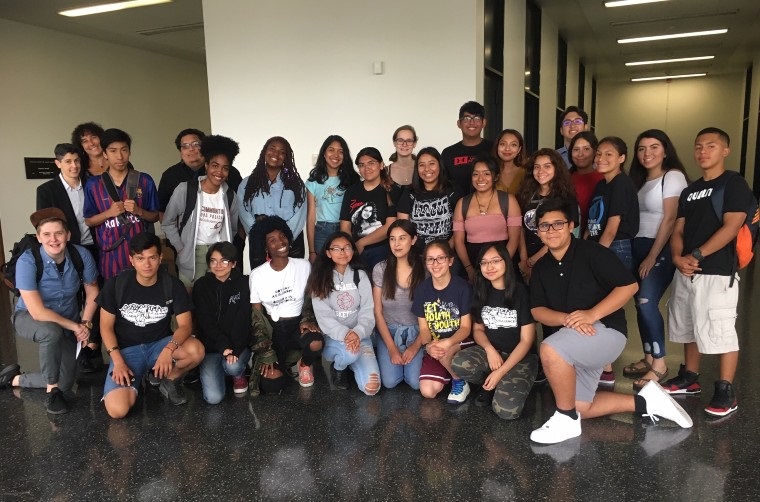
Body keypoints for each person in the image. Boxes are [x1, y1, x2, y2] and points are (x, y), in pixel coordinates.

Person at [528, 198, 692, 444]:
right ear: (538, 231)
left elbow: (629, 286)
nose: (551, 230)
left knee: (549, 349)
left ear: (571, 225)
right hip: (573, 338)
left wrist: (591, 315)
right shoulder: (541, 267)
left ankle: (565, 420)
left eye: (558, 224)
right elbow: (537, 310)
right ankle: (647, 402)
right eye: (544, 226)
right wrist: (568, 319)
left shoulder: (591, 252)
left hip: (605, 333)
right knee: (580, 406)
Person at [663, 127, 753, 418]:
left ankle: (726, 389)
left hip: (716, 271)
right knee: (689, 325)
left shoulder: (734, 184)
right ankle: (690, 377)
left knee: (722, 331)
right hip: (686, 270)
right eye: (698, 146)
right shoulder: (689, 191)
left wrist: (696, 254)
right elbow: (678, 229)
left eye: (711, 146)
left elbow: (732, 226)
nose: (703, 151)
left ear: (725, 150)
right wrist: (678, 257)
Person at [2, 209, 99, 414]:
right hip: (29, 318)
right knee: (50, 332)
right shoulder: (28, 261)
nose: (53, 239)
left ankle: (13, 378)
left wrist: (86, 323)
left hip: (68, 321)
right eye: (46, 234)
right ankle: (52, 392)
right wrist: (76, 326)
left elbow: (92, 292)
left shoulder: (80, 255)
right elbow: (37, 312)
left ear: (68, 235)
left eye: (58, 233)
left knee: (66, 381)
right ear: (38, 237)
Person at [100, 232, 204, 418]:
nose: (147, 264)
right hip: (127, 351)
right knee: (117, 411)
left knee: (196, 350)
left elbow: (186, 326)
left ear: (160, 258)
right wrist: (118, 362)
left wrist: (168, 350)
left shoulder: (172, 284)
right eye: (140, 258)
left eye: (152, 258)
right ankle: (137, 379)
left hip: (159, 346)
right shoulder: (116, 285)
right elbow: (105, 327)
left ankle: (168, 379)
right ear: (131, 260)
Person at [623, 129, 689, 390]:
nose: (647, 153)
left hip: (658, 247)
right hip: (636, 245)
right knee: (640, 305)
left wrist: (652, 255)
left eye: (653, 147)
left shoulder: (672, 176)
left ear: (665, 150)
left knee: (647, 301)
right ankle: (649, 356)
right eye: (641, 148)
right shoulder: (637, 180)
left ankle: (660, 363)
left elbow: (670, 218)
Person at [451, 242, 537, 419]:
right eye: (484, 262)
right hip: (492, 354)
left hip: (520, 357)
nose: (489, 267)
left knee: (506, 412)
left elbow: (526, 341)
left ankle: (501, 382)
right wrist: (490, 350)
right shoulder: (481, 291)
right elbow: (478, 330)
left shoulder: (522, 293)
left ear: (506, 261)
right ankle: (490, 384)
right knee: (458, 363)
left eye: (495, 261)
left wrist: (500, 372)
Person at [37, 143, 102, 372]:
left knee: (97, 296)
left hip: (96, 246)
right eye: (67, 161)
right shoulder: (47, 190)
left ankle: (93, 345)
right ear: (58, 164)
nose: (73, 165)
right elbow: (45, 225)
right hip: (67, 250)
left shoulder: (93, 184)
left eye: (76, 160)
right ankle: (75, 344)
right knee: (73, 297)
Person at [584, 136, 639, 385]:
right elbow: (592, 225)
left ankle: (606, 368)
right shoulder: (602, 185)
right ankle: (602, 366)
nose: (601, 159)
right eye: (598, 154)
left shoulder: (621, 184)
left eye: (608, 154)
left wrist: (597, 258)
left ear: (621, 158)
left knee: (608, 307)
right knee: (598, 304)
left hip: (613, 249)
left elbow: (612, 227)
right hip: (598, 247)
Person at [249, 217, 324, 389]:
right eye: (272, 240)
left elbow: (310, 299)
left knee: (316, 343)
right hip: (274, 330)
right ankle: (282, 364)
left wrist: (307, 319)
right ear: (265, 247)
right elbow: (257, 317)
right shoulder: (257, 275)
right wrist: (265, 349)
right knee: (273, 385)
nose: (280, 242)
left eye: (282, 236)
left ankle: (304, 364)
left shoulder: (304, 266)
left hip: (298, 325)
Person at [162, 135, 240, 289]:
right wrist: (181, 247)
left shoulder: (230, 195)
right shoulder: (185, 190)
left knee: (215, 298)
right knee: (191, 301)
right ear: (206, 166)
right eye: (215, 166)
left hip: (219, 255)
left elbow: (233, 227)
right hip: (192, 253)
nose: (219, 172)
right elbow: (167, 222)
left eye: (225, 168)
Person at [306, 232, 379, 395]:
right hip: (334, 337)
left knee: (372, 388)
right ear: (328, 253)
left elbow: (368, 309)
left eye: (347, 248)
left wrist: (358, 333)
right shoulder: (320, 278)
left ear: (353, 251)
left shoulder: (360, 276)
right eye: (337, 249)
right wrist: (347, 335)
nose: (342, 252)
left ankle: (351, 363)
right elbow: (323, 316)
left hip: (361, 335)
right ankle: (339, 367)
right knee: (351, 354)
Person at [83, 128, 160, 280]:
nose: (119, 156)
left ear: (129, 152)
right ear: (104, 153)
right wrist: (108, 213)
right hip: (111, 257)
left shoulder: (144, 180)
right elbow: (89, 221)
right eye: (113, 151)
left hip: (142, 257)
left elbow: (155, 216)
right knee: (115, 299)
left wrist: (139, 211)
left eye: (124, 150)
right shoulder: (94, 184)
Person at [413, 239, 473, 403]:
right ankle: (449, 370)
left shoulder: (462, 288)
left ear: (450, 261)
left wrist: (448, 342)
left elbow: (466, 328)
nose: (436, 263)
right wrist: (428, 346)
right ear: (425, 263)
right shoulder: (422, 290)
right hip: (436, 345)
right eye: (430, 259)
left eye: (441, 258)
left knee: (444, 349)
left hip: (460, 341)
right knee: (428, 391)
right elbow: (424, 330)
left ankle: (459, 381)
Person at [192, 242, 251, 403]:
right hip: (212, 347)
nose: (218, 265)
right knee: (213, 398)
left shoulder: (244, 283)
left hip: (237, 344)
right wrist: (223, 345)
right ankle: (222, 371)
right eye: (213, 260)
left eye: (224, 261)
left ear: (233, 263)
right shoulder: (201, 286)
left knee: (233, 366)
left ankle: (238, 375)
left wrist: (235, 349)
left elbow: (243, 320)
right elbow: (205, 321)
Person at [238, 136, 307, 269]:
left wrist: (283, 239)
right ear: (264, 151)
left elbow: (300, 215)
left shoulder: (296, 184)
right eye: (272, 149)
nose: (276, 154)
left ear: (286, 157)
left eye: (282, 152)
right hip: (259, 244)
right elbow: (244, 214)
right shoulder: (247, 184)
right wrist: (263, 240)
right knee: (263, 284)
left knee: (293, 282)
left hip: (290, 244)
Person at [372, 220, 426, 389]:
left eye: (402, 238)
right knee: (389, 382)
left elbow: (431, 311)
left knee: (415, 383)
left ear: (413, 239)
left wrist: (415, 346)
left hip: (418, 331)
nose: (397, 244)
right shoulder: (381, 268)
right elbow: (377, 312)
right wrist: (391, 348)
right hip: (389, 330)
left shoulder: (425, 268)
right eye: (392, 239)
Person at [453, 155, 521, 282]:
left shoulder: (509, 200)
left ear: (495, 177)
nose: (480, 178)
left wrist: (501, 266)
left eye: (486, 174)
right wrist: (469, 269)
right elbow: (458, 241)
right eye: (476, 174)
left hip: (504, 264)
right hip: (474, 265)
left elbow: (514, 239)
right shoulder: (462, 204)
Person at [516, 148, 579, 282]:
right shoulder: (525, 194)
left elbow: (567, 234)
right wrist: (524, 260)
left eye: (547, 166)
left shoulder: (566, 197)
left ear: (557, 169)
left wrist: (533, 261)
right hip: (526, 256)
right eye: (536, 167)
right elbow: (519, 228)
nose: (541, 171)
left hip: (555, 257)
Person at [340, 147, 402, 270]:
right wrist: (350, 246)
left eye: (371, 163)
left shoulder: (392, 190)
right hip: (355, 250)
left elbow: (390, 226)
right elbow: (345, 225)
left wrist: (361, 243)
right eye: (361, 165)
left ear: (381, 165)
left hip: (383, 250)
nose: (366, 168)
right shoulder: (351, 191)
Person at [305, 135, 359, 261]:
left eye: (341, 151)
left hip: (347, 230)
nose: (336, 155)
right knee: (323, 273)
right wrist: (312, 251)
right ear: (324, 153)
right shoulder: (313, 182)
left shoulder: (353, 180)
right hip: (323, 231)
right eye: (331, 150)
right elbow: (311, 217)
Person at [396, 147, 462, 246]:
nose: (427, 169)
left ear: (440, 165)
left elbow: (459, 231)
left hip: (446, 254)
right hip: (417, 254)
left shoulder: (453, 190)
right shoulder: (409, 193)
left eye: (432, 163)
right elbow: (403, 230)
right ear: (417, 169)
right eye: (421, 165)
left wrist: (445, 253)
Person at [441, 101, 493, 191]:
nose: (472, 122)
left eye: (477, 118)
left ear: (484, 122)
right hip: (456, 204)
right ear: (459, 123)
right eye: (467, 118)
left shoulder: (493, 149)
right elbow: (442, 184)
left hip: (489, 203)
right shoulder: (448, 153)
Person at [568, 131, 602, 230]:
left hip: (596, 235)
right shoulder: (564, 178)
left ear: (595, 151)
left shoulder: (603, 178)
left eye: (586, 149)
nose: (580, 154)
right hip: (571, 236)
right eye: (576, 149)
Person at [493, 129, 528, 195]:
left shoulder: (526, 172)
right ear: (497, 146)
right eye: (503, 144)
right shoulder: (489, 171)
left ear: (519, 149)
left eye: (513, 145)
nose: (507, 149)